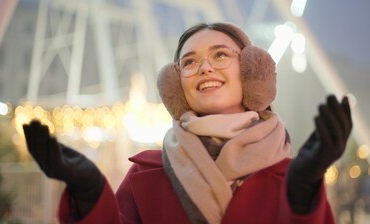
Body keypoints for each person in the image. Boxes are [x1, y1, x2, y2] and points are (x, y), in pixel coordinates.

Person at [22, 22, 352, 223]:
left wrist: (302, 193)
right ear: (175, 86)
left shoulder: (292, 177)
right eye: (189, 62)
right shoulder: (145, 174)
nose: (205, 68)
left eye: (221, 55)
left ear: (253, 72)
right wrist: (90, 194)